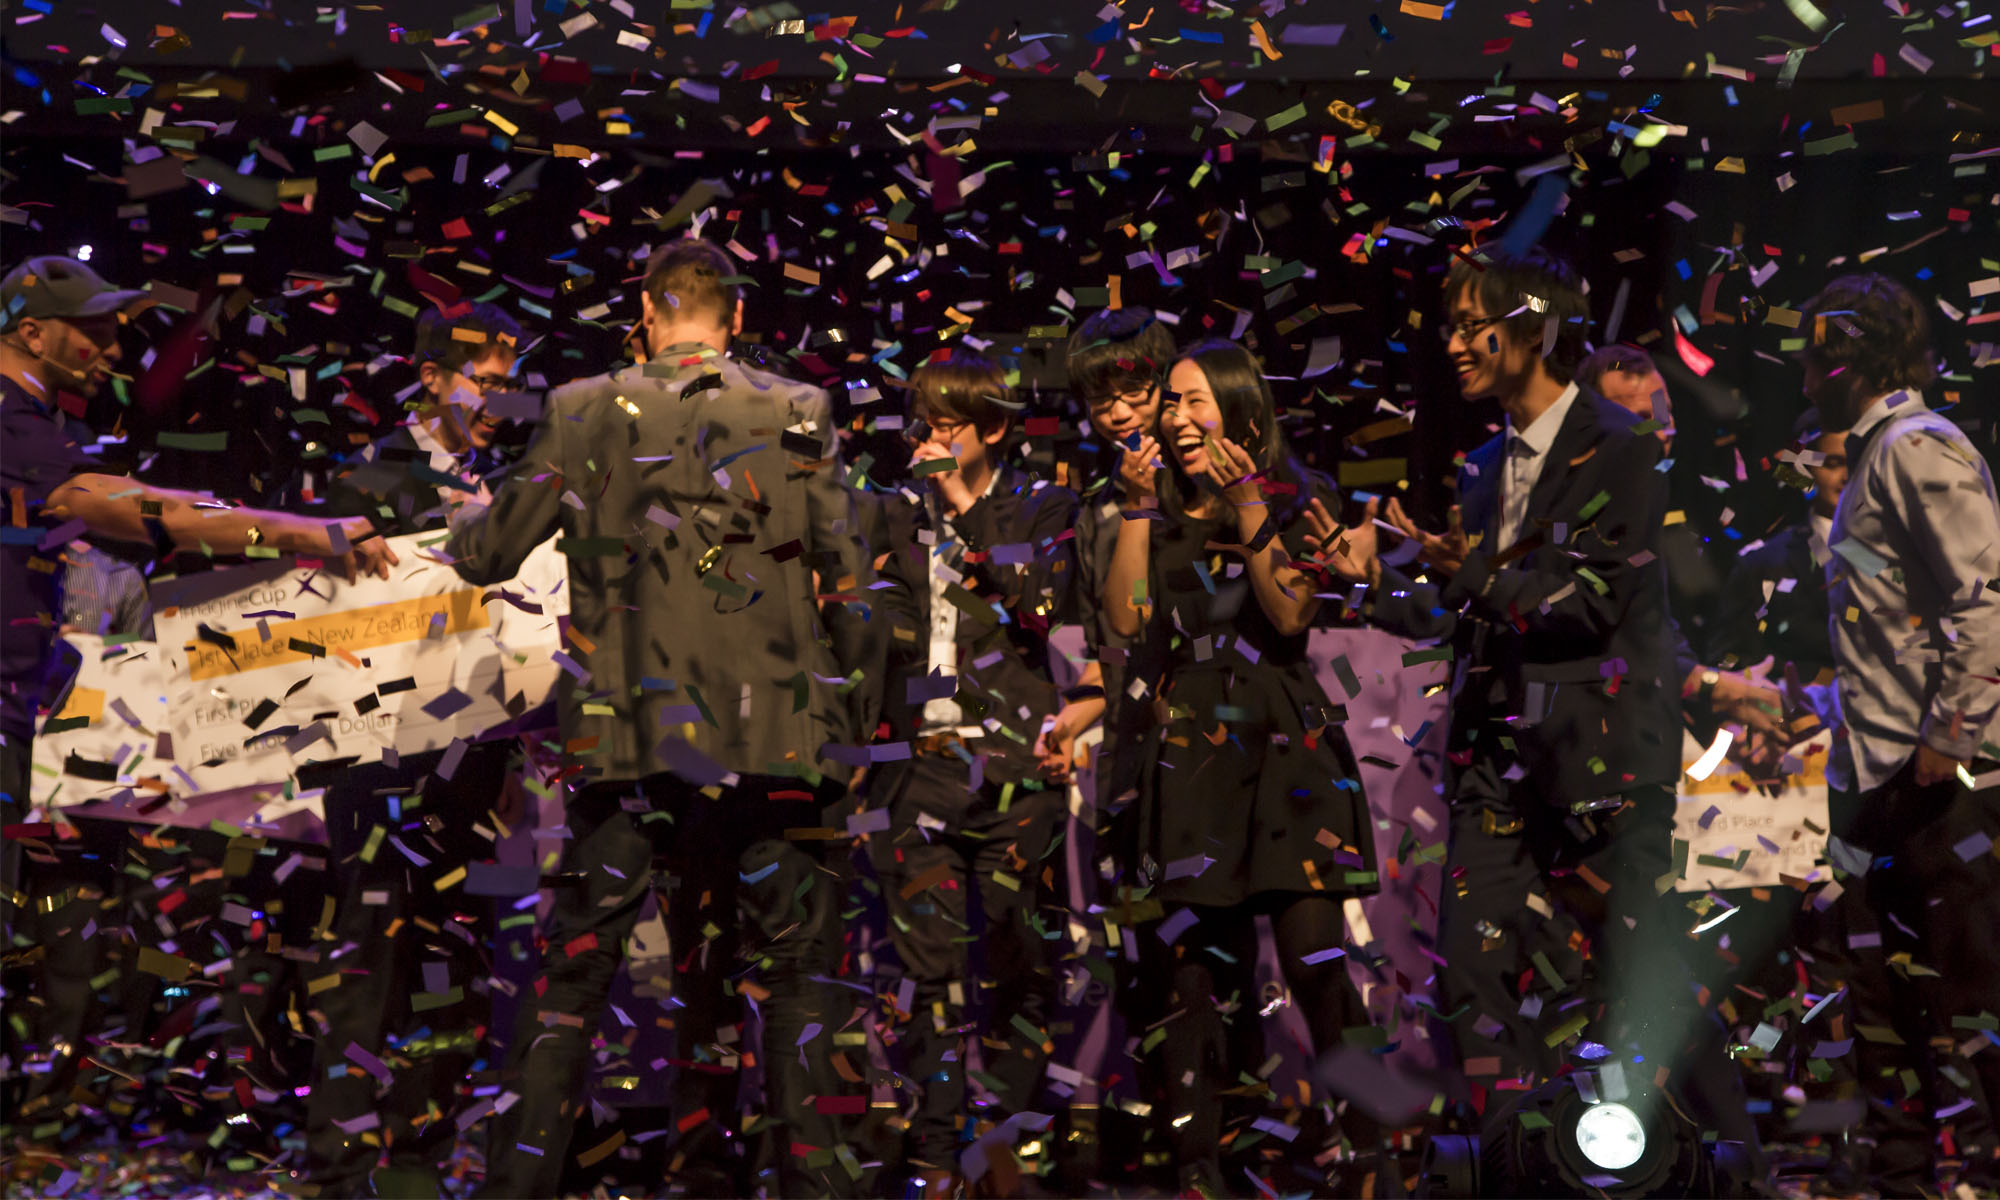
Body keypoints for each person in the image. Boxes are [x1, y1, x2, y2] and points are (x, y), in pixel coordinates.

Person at [444, 237, 880, 1199]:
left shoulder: (580, 409)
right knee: (801, 981)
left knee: (574, 984)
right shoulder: (798, 409)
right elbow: (852, 581)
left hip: (630, 744)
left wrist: (455, 521)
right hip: (778, 745)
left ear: (644, 314)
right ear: (736, 322)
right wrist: (852, 733)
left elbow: (488, 555)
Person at [1336, 248, 1739, 1151]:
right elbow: (1469, 619)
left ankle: (1729, 1160)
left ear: (1532, 329)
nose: (1455, 344)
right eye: (1450, 325)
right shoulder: (1483, 465)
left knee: (1640, 984)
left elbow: (1588, 604)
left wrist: (1468, 573)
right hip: (1500, 769)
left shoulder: (1623, 447)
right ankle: (1518, 1164)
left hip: (1602, 766)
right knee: (1471, 980)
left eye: (1473, 324)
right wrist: (1371, 583)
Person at [1, 255, 393, 1129]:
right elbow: (137, 509)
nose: (109, 348)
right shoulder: (11, 422)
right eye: (91, 330)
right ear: (32, 333)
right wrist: (303, 530)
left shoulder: (35, 422)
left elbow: (123, 506)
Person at [1101, 338, 1391, 1195]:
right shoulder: (1152, 506)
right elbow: (1125, 623)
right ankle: (1203, 1172)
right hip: (1190, 755)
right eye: (1171, 403)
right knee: (1192, 983)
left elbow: (1291, 612)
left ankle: (1371, 1150)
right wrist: (1136, 511)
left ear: (1239, 411)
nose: (1176, 419)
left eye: (1196, 402)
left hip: (1283, 749)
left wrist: (1246, 498)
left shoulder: (1297, 497)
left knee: (1315, 965)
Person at [289, 302, 528, 1200]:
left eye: (509, 384)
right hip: (377, 760)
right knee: (368, 952)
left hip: (475, 759)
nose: (499, 401)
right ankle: (339, 1158)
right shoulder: (364, 482)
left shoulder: (510, 486)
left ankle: (420, 1145)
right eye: (484, 381)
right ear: (430, 377)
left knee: (449, 956)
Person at [1795, 272, 1999, 1195]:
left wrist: (1945, 744)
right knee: (1889, 1022)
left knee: (1980, 1010)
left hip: (1939, 795)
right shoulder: (1875, 460)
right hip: (1881, 797)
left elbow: (1986, 601)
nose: (1800, 373)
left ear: (1849, 354)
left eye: (1812, 349)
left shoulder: (1918, 450)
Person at [867, 350, 1076, 1196]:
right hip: (923, 769)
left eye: (946, 423)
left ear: (992, 427)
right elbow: (875, 624)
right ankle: (936, 1155)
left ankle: (1005, 1144)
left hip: (1019, 768)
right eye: (921, 422)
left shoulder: (1045, 503)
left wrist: (963, 507)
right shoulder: (893, 513)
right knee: (928, 974)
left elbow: (1043, 604)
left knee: (1020, 961)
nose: (929, 438)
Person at [1709, 408, 1846, 689]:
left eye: (1858, 462)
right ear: (1803, 472)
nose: (1848, 476)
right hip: (1798, 719)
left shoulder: (1898, 552)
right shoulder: (1763, 563)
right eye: (1833, 463)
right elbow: (1731, 659)